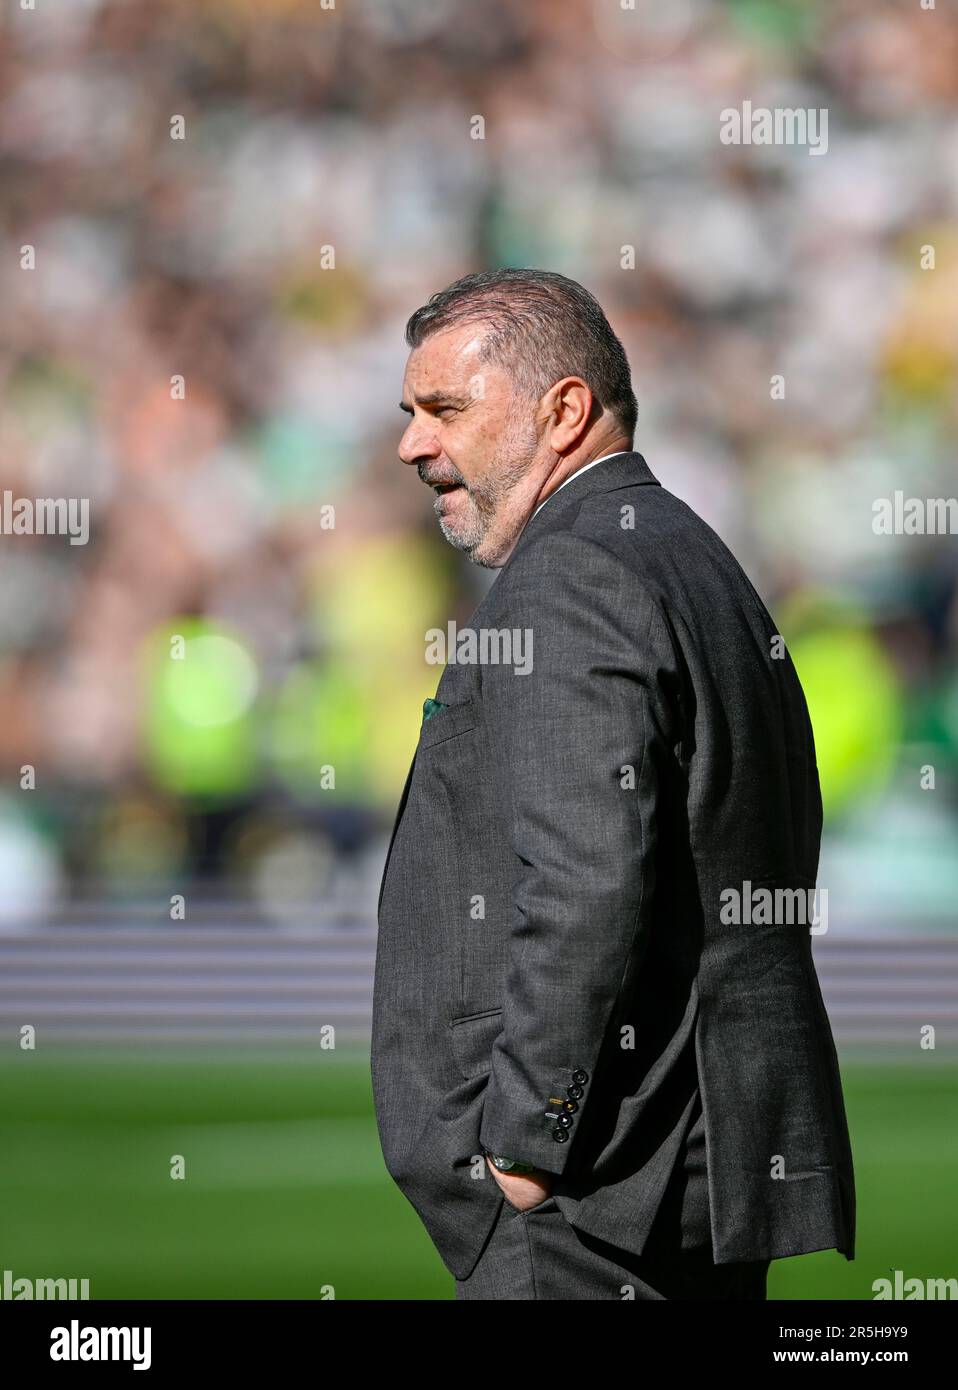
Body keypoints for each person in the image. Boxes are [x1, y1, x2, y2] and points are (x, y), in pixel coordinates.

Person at [370, 267, 856, 1300]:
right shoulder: (688, 553)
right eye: (409, 412)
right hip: (686, 1164)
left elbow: (587, 875)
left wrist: (524, 1143)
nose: (412, 444)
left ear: (563, 411)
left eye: (445, 409)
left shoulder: (574, 572)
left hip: (596, 1191)